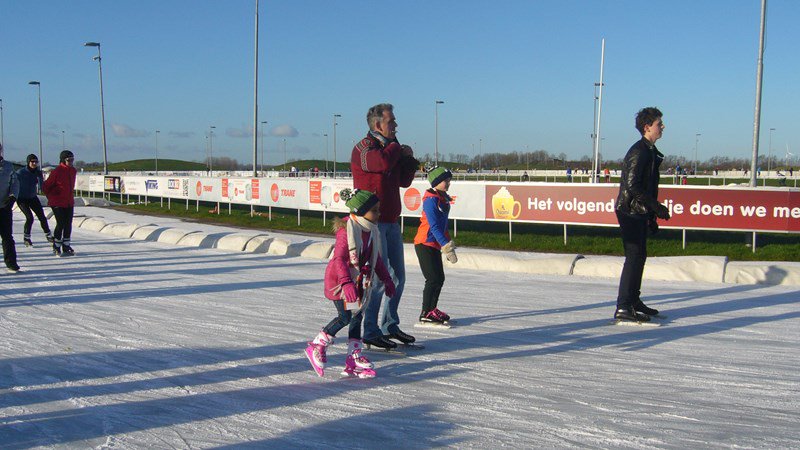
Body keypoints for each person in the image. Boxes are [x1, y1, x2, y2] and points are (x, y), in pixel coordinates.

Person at [305, 190, 395, 379]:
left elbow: (376, 259)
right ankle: (317, 345)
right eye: (374, 211)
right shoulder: (346, 230)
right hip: (339, 281)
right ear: (361, 211)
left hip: (357, 281)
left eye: (379, 210)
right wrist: (346, 283)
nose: (379, 214)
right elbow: (338, 259)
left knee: (356, 318)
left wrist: (386, 279)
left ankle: (353, 358)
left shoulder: (370, 230)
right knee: (345, 317)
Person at [350, 103, 419, 349]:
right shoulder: (364, 148)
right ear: (378, 125)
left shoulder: (391, 149)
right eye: (392, 122)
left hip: (391, 222)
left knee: (398, 277)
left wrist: (408, 160)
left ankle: (389, 324)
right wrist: (398, 148)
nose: (396, 126)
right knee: (380, 278)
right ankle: (369, 330)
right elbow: (379, 164)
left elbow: (403, 180)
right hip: (372, 224)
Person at [613, 107, 671, 323]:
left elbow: (644, 187)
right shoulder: (640, 151)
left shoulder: (649, 150)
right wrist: (656, 207)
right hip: (629, 211)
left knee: (639, 256)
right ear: (647, 127)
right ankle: (624, 306)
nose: (662, 127)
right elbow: (633, 186)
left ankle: (633, 301)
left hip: (638, 211)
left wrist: (651, 216)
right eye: (659, 123)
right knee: (634, 257)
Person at [414, 167, 457, 326]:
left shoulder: (442, 198)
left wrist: (448, 243)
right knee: (432, 278)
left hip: (434, 243)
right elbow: (434, 226)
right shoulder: (430, 200)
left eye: (449, 180)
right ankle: (426, 312)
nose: (448, 183)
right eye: (446, 181)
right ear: (437, 182)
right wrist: (445, 245)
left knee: (440, 278)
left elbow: (444, 226)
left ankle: (432, 309)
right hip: (424, 243)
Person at [44, 150, 77, 256]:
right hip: (57, 202)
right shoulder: (57, 171)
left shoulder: (73, 171)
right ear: (63, 160)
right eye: (69, 160)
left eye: (72, 159)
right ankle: (56, 246)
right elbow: (46, 186)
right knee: (61, 223)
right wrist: (52, 196)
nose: (71, 162)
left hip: (68, 202)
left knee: (68, 224)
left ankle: (66, 245)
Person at [16, 154, 53, 247]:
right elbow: (13, 185)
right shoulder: (20, 172)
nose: (35, 163)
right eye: (32, 162)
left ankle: (48, 235)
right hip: (21, 199)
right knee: (30, 218)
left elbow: (41, 186)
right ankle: (26, 238)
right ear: (28, 162)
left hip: (32, 197)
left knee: (42, 217)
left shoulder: (38, 172)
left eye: (36, 162)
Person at [0, 143, 20, 272]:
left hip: (4, 207)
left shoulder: (8, 166)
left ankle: (11, 262)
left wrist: (13, 197)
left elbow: (15, 183)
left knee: (7, 236)